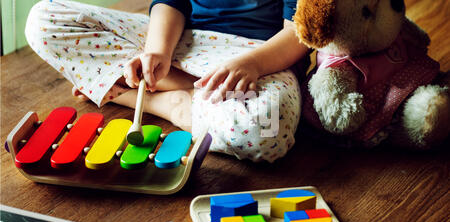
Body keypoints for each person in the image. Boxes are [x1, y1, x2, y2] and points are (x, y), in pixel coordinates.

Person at [25, 0, 309, 162]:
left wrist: (253, 63)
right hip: (185, 40)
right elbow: (171, 3)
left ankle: (153, 99)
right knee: (43, 18)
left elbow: (300, 32)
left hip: (260, 56)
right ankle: (165, 81)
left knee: (266, 129)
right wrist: (158, 51)